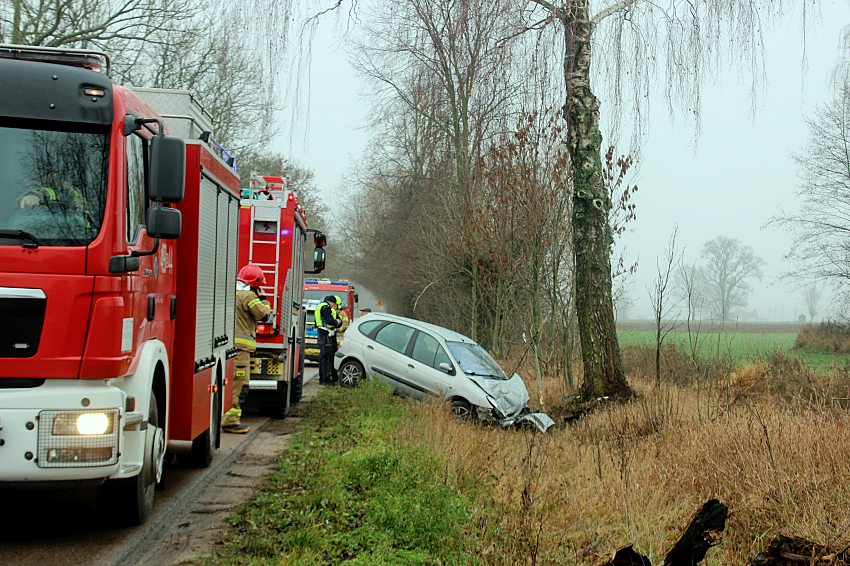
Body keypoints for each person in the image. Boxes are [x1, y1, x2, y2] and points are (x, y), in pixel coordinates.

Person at [224, 264, 272, 433]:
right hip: (241, 350)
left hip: (229, 347)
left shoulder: (232, 292)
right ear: (254, 284)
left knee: (227, 383)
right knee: (239, 385)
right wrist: (264, 300)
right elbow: (265, 315)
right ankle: (231, 421)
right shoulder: (249, 296)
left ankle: (225, 417)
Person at [314, 294, 343, 385]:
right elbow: (329, 320)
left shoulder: (320, 306)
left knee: (323, 356)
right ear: (331, 302)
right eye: (333, 304)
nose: (333, 306)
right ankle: (325, 379)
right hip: (326, 333)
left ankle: (323, 378)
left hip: (323, 332)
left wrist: (337, 322)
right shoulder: (326, 308)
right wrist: (336, 322)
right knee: (326, 357)